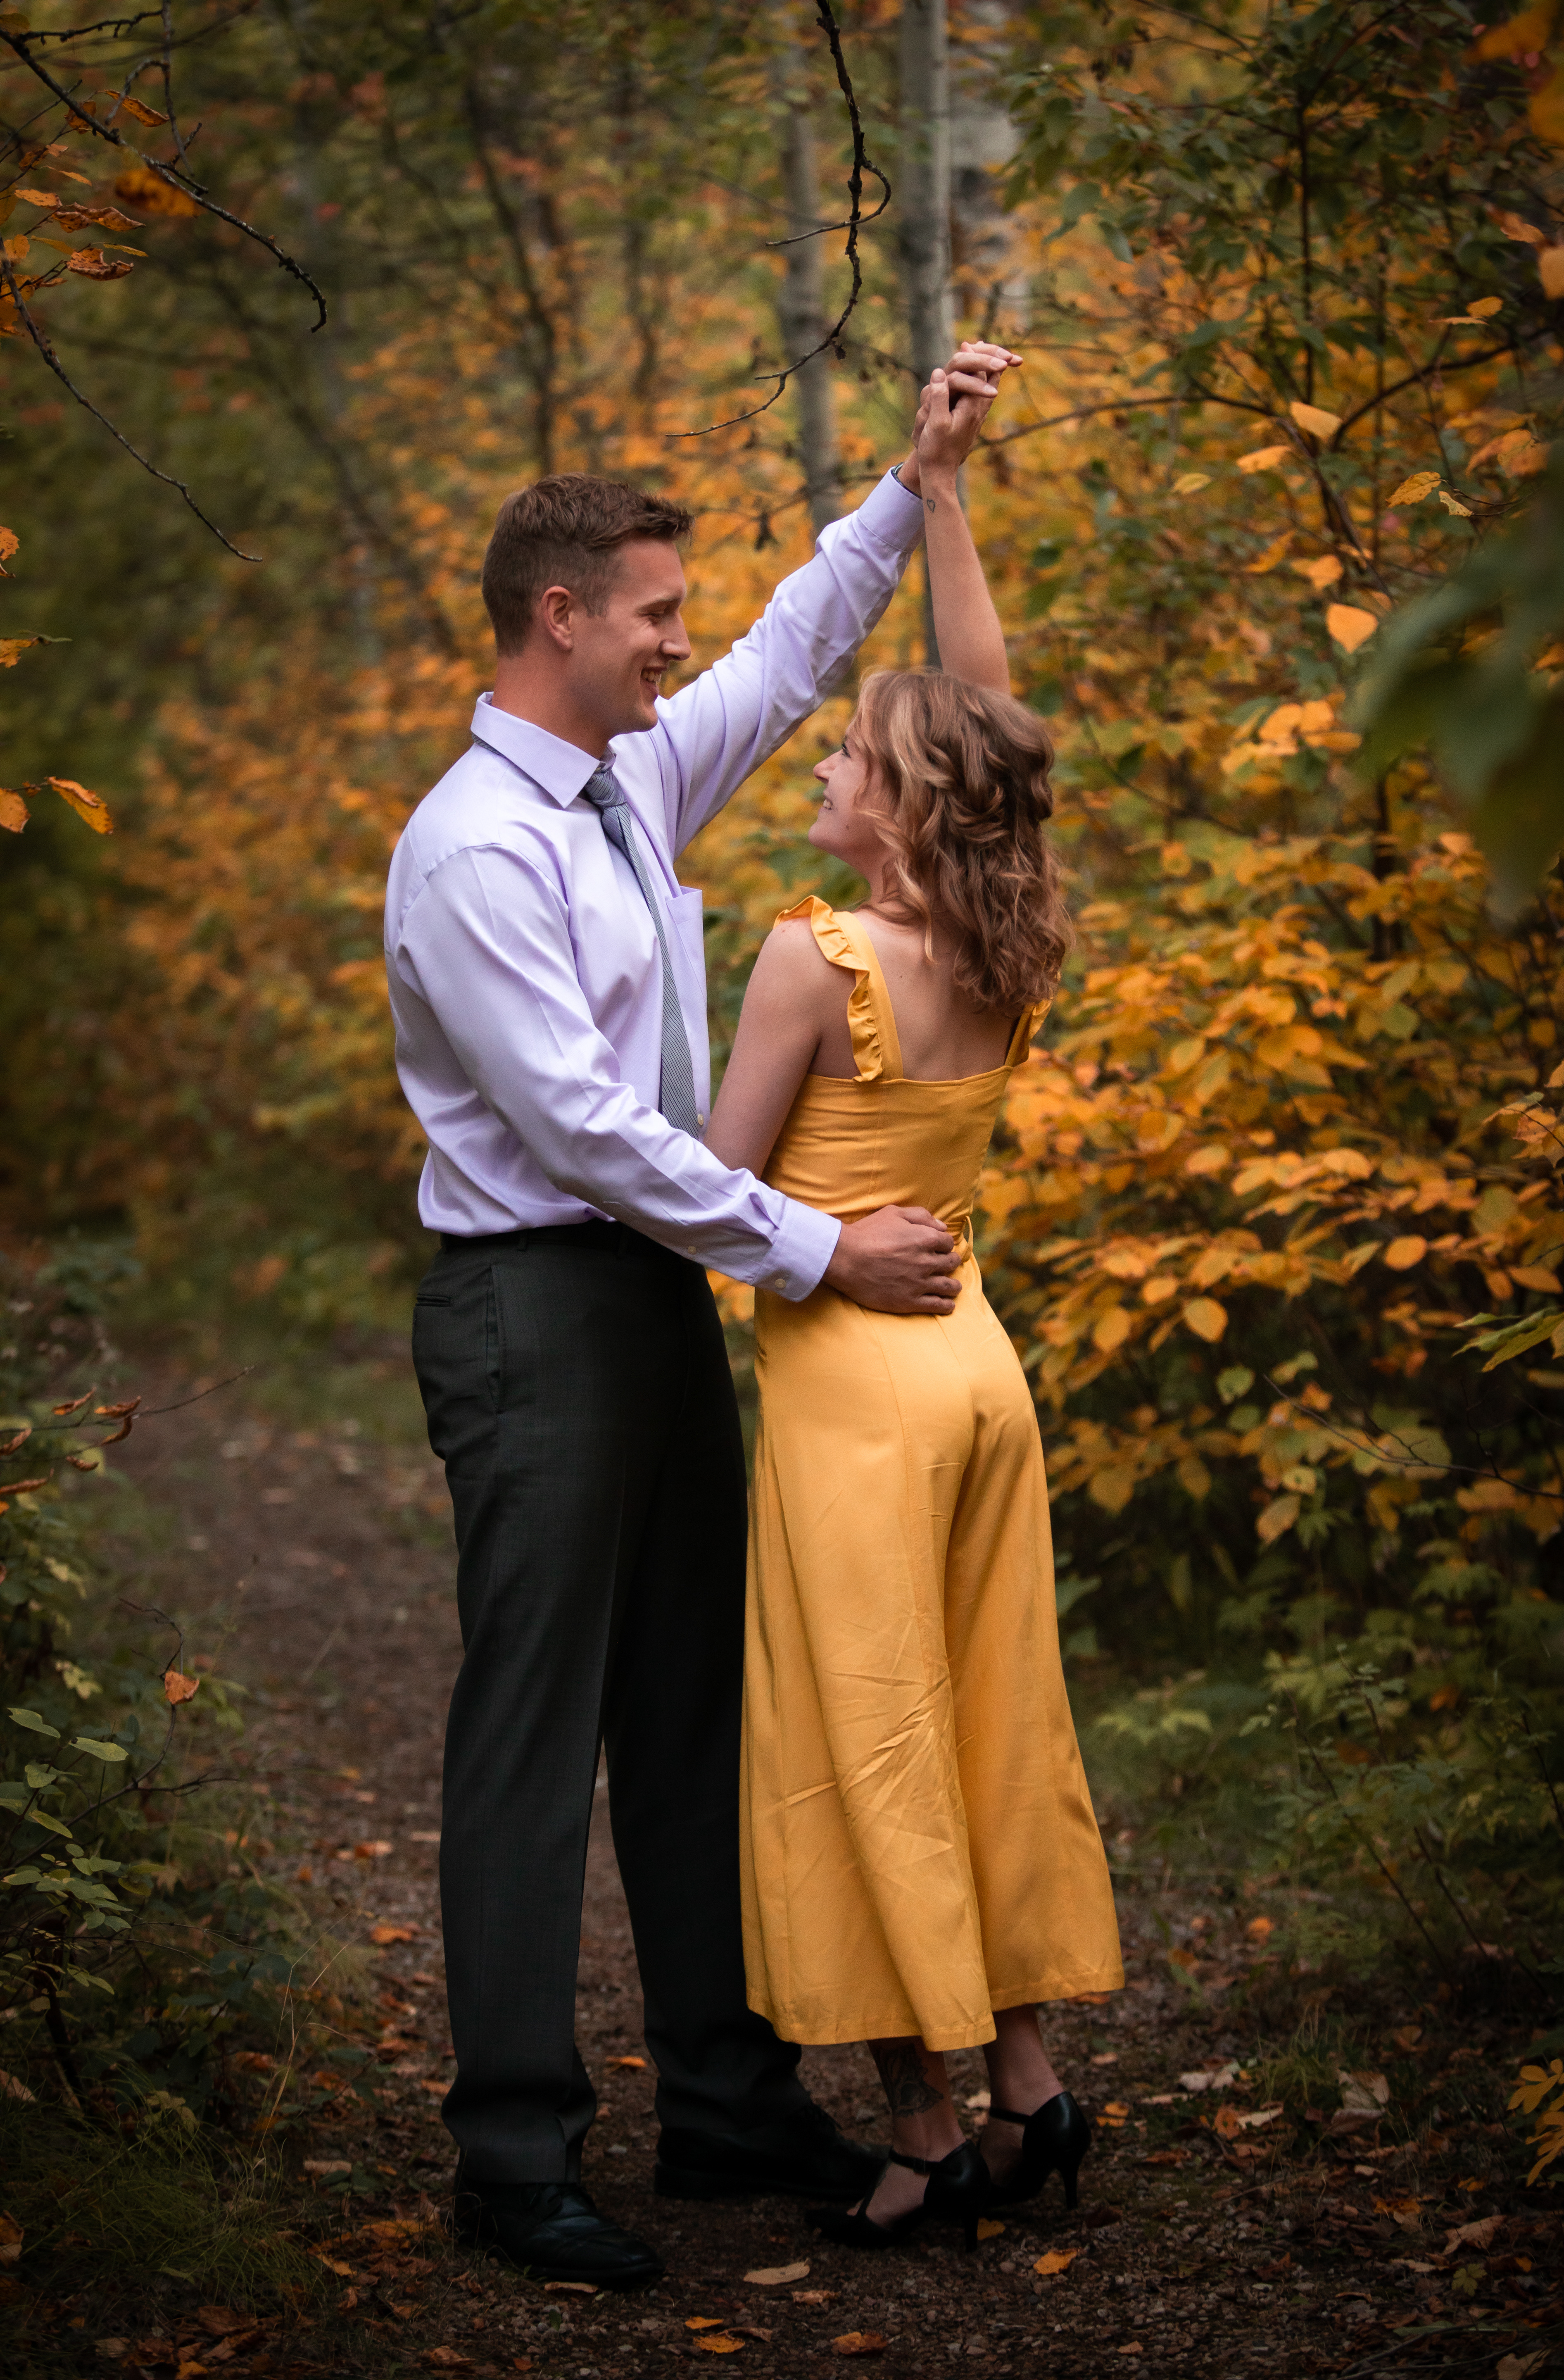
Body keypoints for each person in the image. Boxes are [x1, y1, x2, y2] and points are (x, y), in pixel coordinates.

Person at [383, 343, 1020, 2289]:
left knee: (689, 1710)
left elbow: (795, 648)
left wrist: (916, 487)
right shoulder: (470, 847)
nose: (679, 642)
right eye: (650, 612)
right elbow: (579, 1131)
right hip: (532, 1311)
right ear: (559, 618)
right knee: (534, 1724)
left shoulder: (630, 773)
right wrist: (812, 1253)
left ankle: (728, 2099)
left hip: (656, 1304)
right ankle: (516, 2152)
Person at [704, 367, 1124, 2251]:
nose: (820, 774)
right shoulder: (1000, 939)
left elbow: (710, 1199)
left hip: (855, 1390)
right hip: (980, 1369)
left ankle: (925, 2120)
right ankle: (1033, 2086)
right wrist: (940, 501)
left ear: (897, 807)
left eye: (843, 763)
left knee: (863, 1737)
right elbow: (1000, 729)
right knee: (979, 1720)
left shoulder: (814, 960)